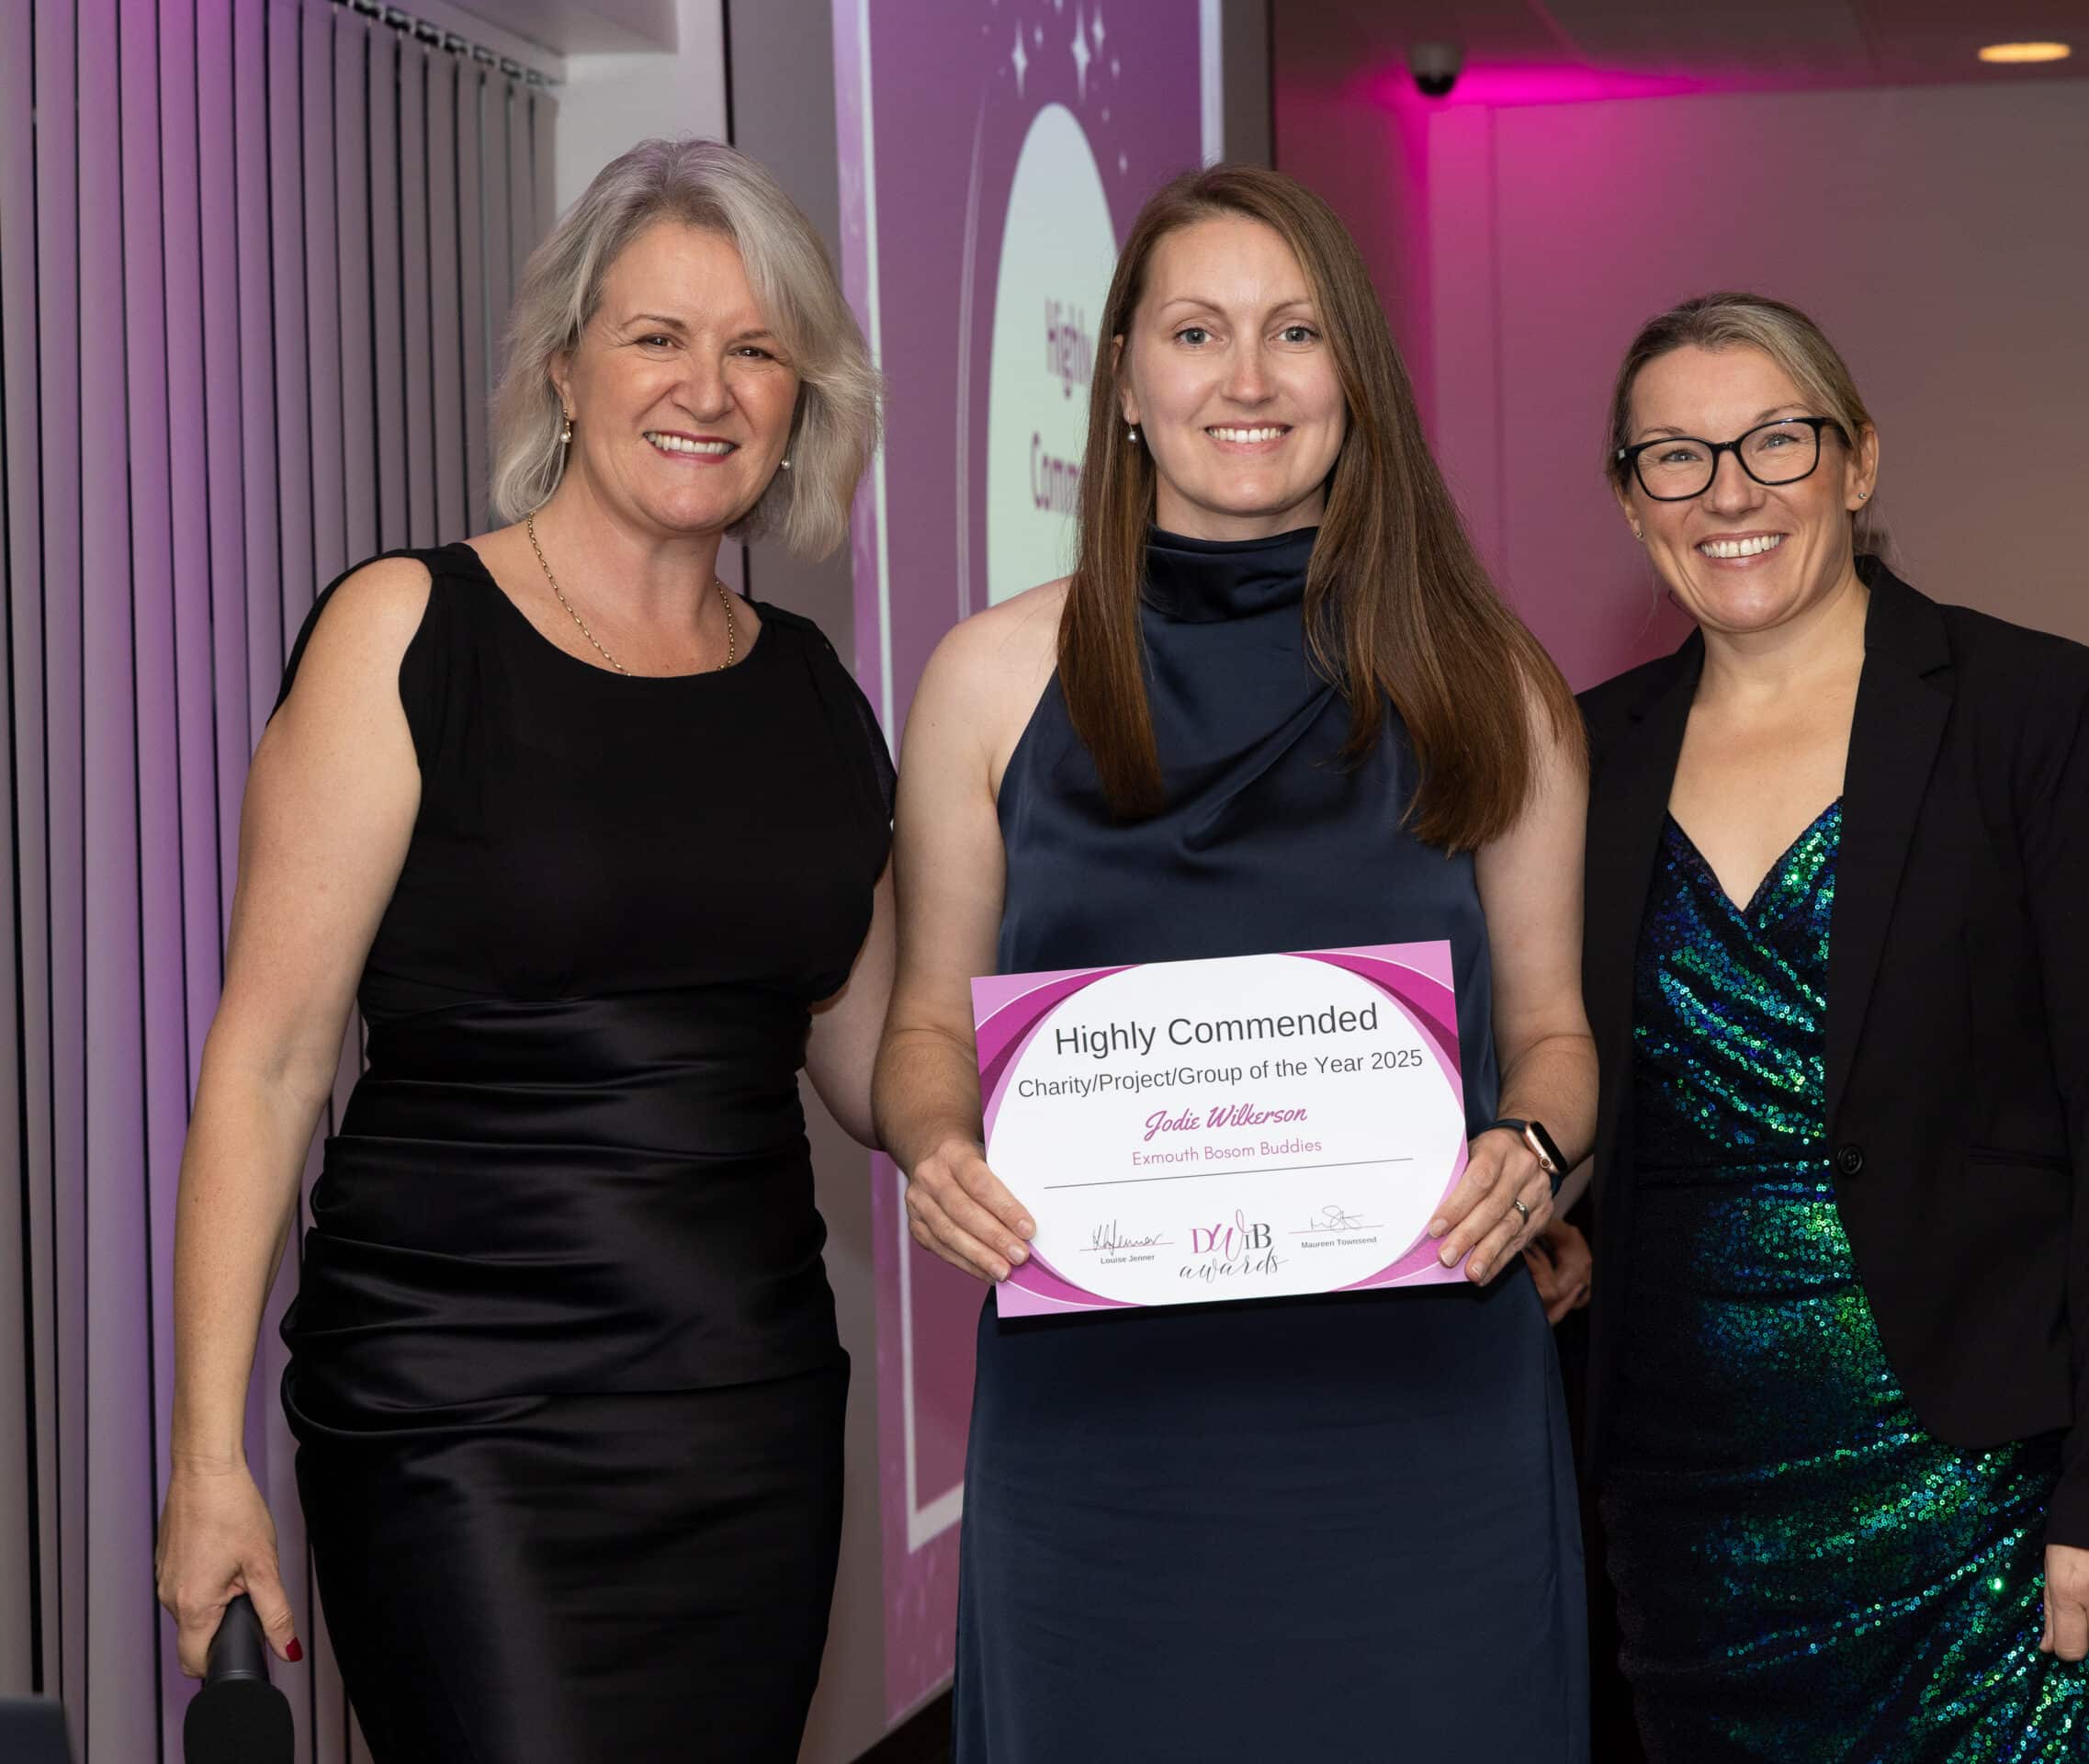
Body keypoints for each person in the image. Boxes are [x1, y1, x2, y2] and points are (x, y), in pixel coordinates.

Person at [154, 139, 892, 1761]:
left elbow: (879, 1062)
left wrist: (1176, 1101)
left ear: (799, 401)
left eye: (756, 347)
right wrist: (209, 1458)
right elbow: (268, 1065)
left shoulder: (815, 694)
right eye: (657, 337)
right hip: (457, 1410)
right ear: (563, 362)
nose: (708, 385)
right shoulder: (410, 634)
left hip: (747, 1415)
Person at [876, 164, 1595, 1762]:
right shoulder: (992, 678)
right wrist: (935, 1145)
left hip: (1420, 1426)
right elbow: (923, 1021)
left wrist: (1533, 1150)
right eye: (1198, 332)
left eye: (1296, 333)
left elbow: (1554, 1039)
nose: (1249, 380)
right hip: (1104, 1446)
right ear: (1123, 373)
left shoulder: (1494, 686)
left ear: (1358, 381)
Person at [1574, 292, 2089, 1760]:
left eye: (1774, 441)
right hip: (1685, 1502)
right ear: (1630, 501)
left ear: (1857, 464)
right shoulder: (1579, 748)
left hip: (1982, 1494)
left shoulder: (2029, 708)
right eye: (1675, 456)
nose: (1728, 492)